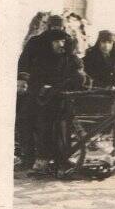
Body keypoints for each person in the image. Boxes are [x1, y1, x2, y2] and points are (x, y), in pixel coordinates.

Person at [19, 28, 86, 173]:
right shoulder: (42, 58)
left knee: (54, 123)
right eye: (56, 41)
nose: (60, 44)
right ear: (49, 42)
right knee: (29, 120)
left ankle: (52, 158)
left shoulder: (70, 58)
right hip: (40, 97)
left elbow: (80, 77)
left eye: (62, 41)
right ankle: (31, 157)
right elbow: (34, 77)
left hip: (60, 99)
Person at [16, 15, 72, 169]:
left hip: (54, 90)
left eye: (58, 27)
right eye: (54, 27)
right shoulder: (36, 42)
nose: (56, 31)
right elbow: (24, 61)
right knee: (26, 119)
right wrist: (22, 79)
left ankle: (35, 158)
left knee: (33, 120)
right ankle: (29, 156)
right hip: (37, 87)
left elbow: (73, 63)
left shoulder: (67, 43)